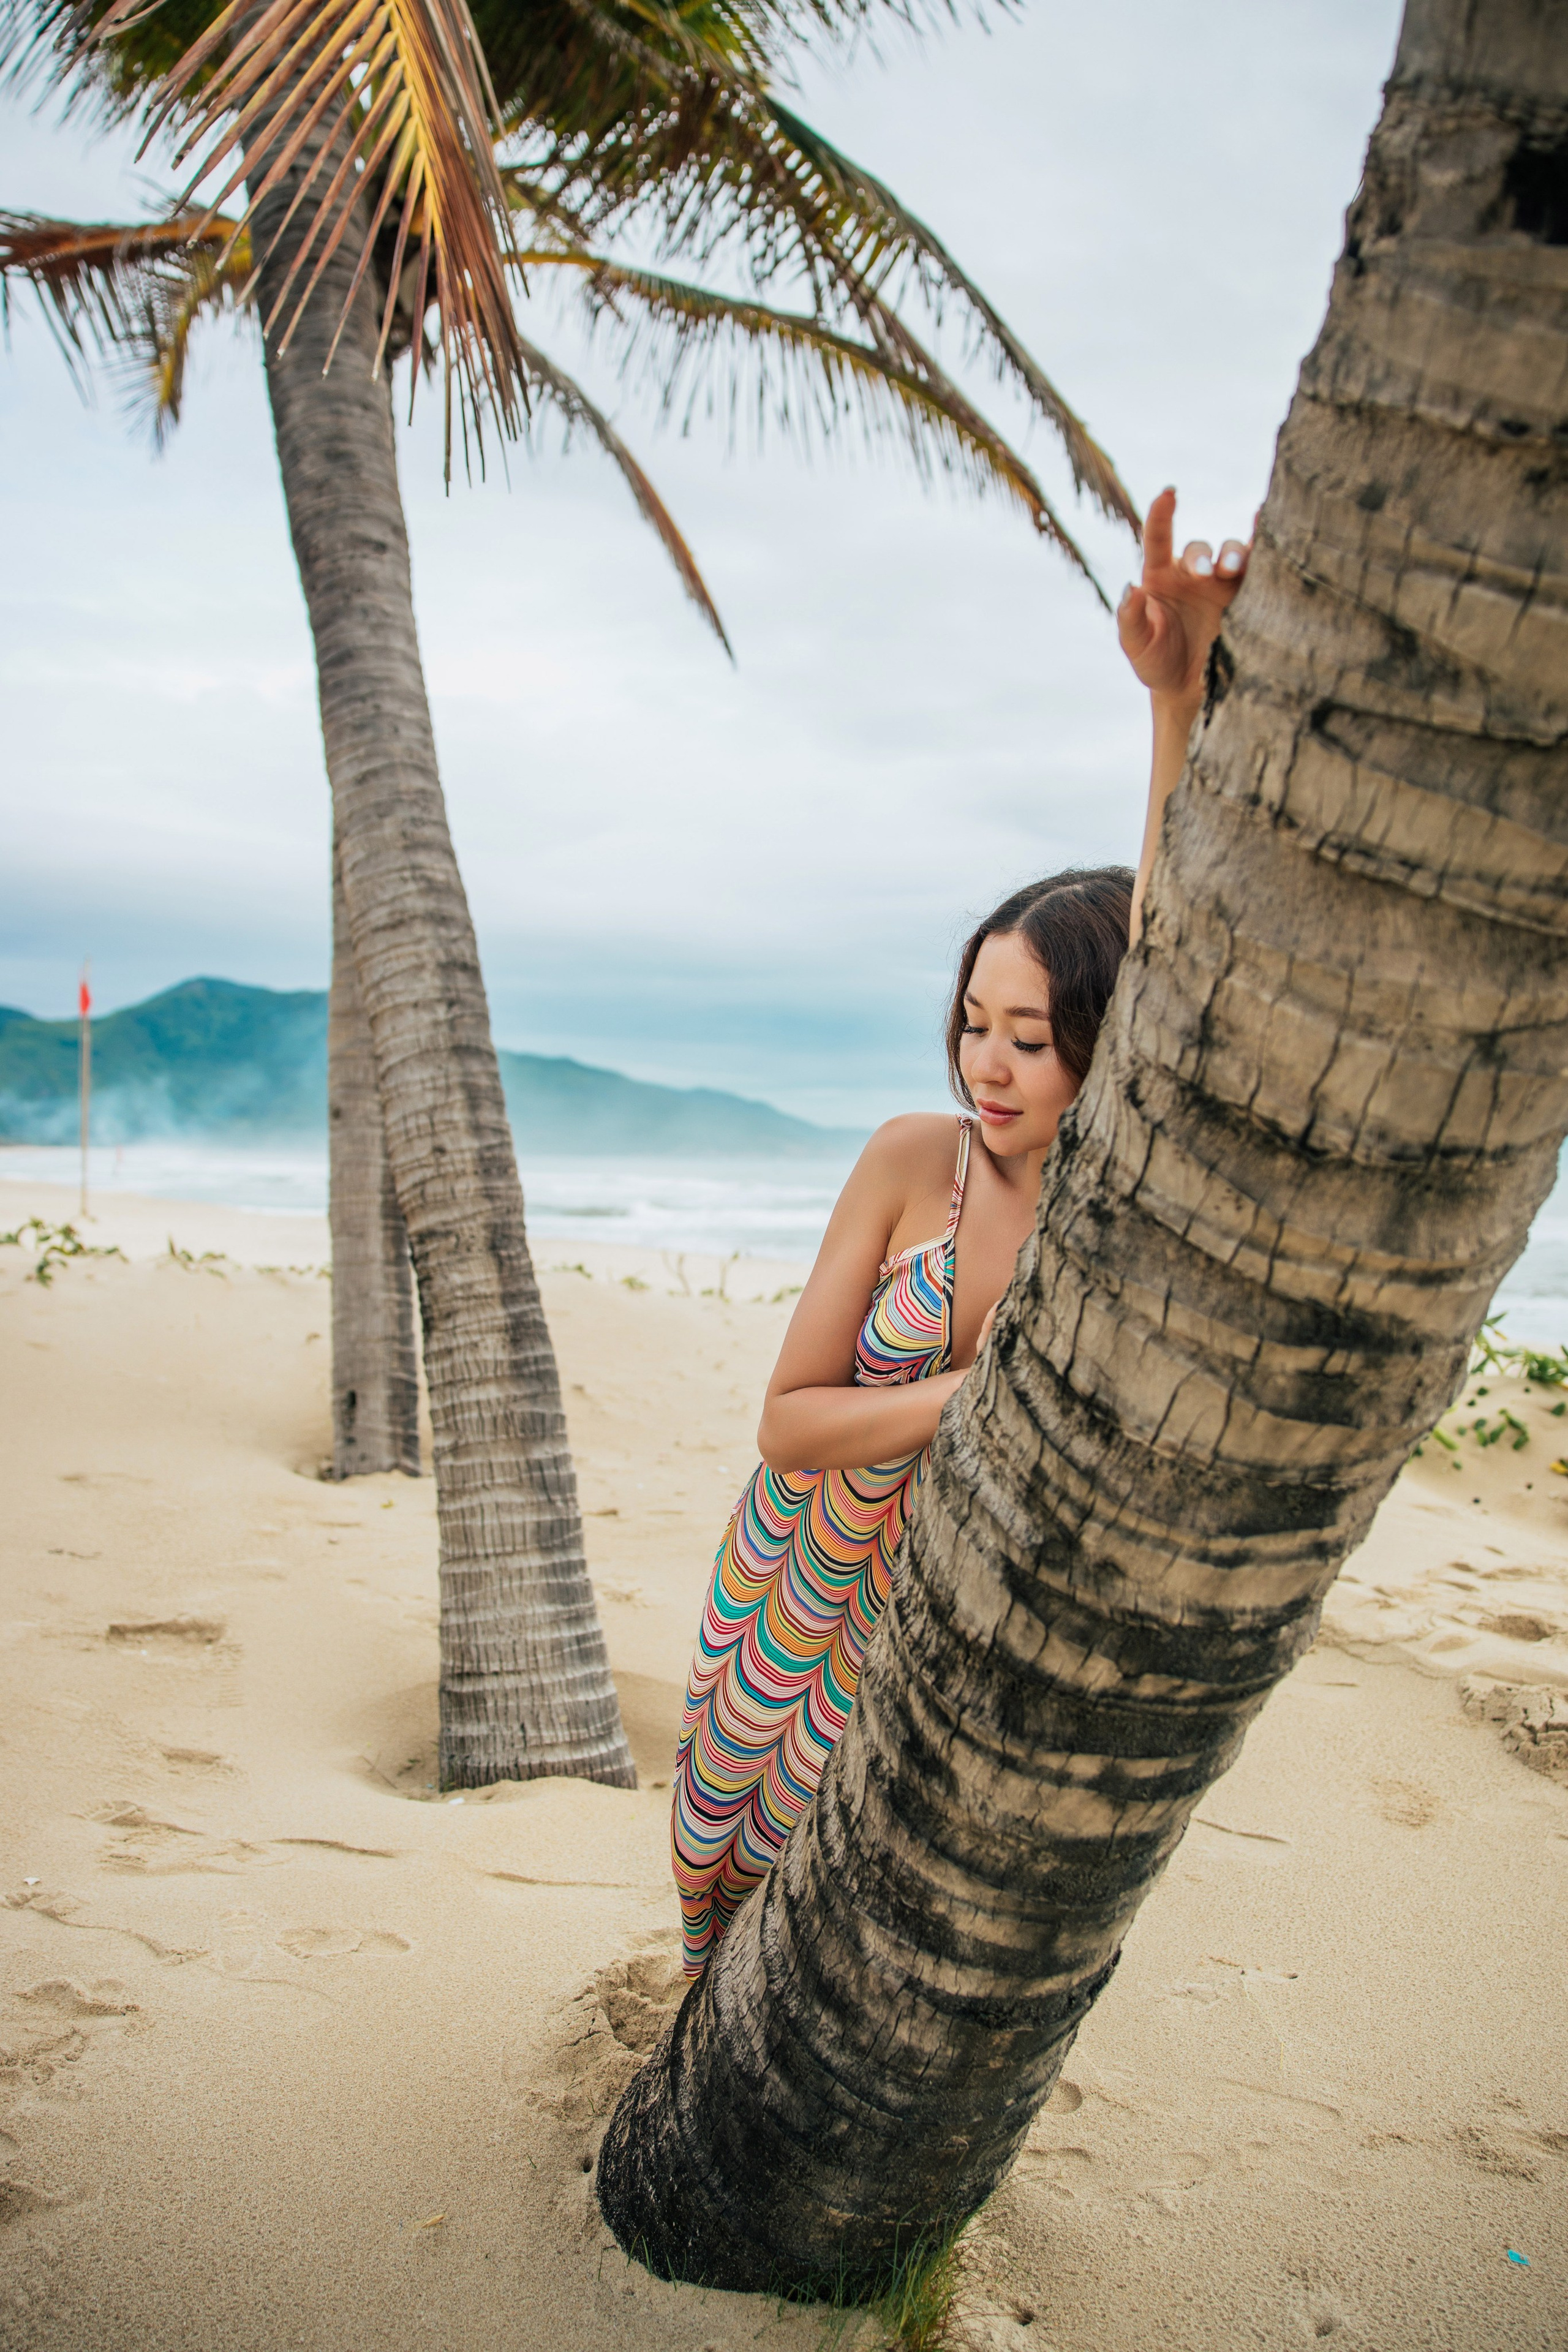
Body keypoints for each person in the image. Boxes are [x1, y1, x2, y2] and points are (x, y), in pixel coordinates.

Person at [671, 488, 1253, 1974]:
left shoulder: (1114, 1193)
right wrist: (965, 1398)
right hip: (796, 1594)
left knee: (883, 1941)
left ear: (1097, 1049)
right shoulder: (906, 1161)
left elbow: (1174, 943)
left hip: (970, 1622)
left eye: (1036, 1039)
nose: (989, 1065)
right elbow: (790, 1426)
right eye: (972, 1025)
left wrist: (1173, 699)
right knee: (723, 1908)